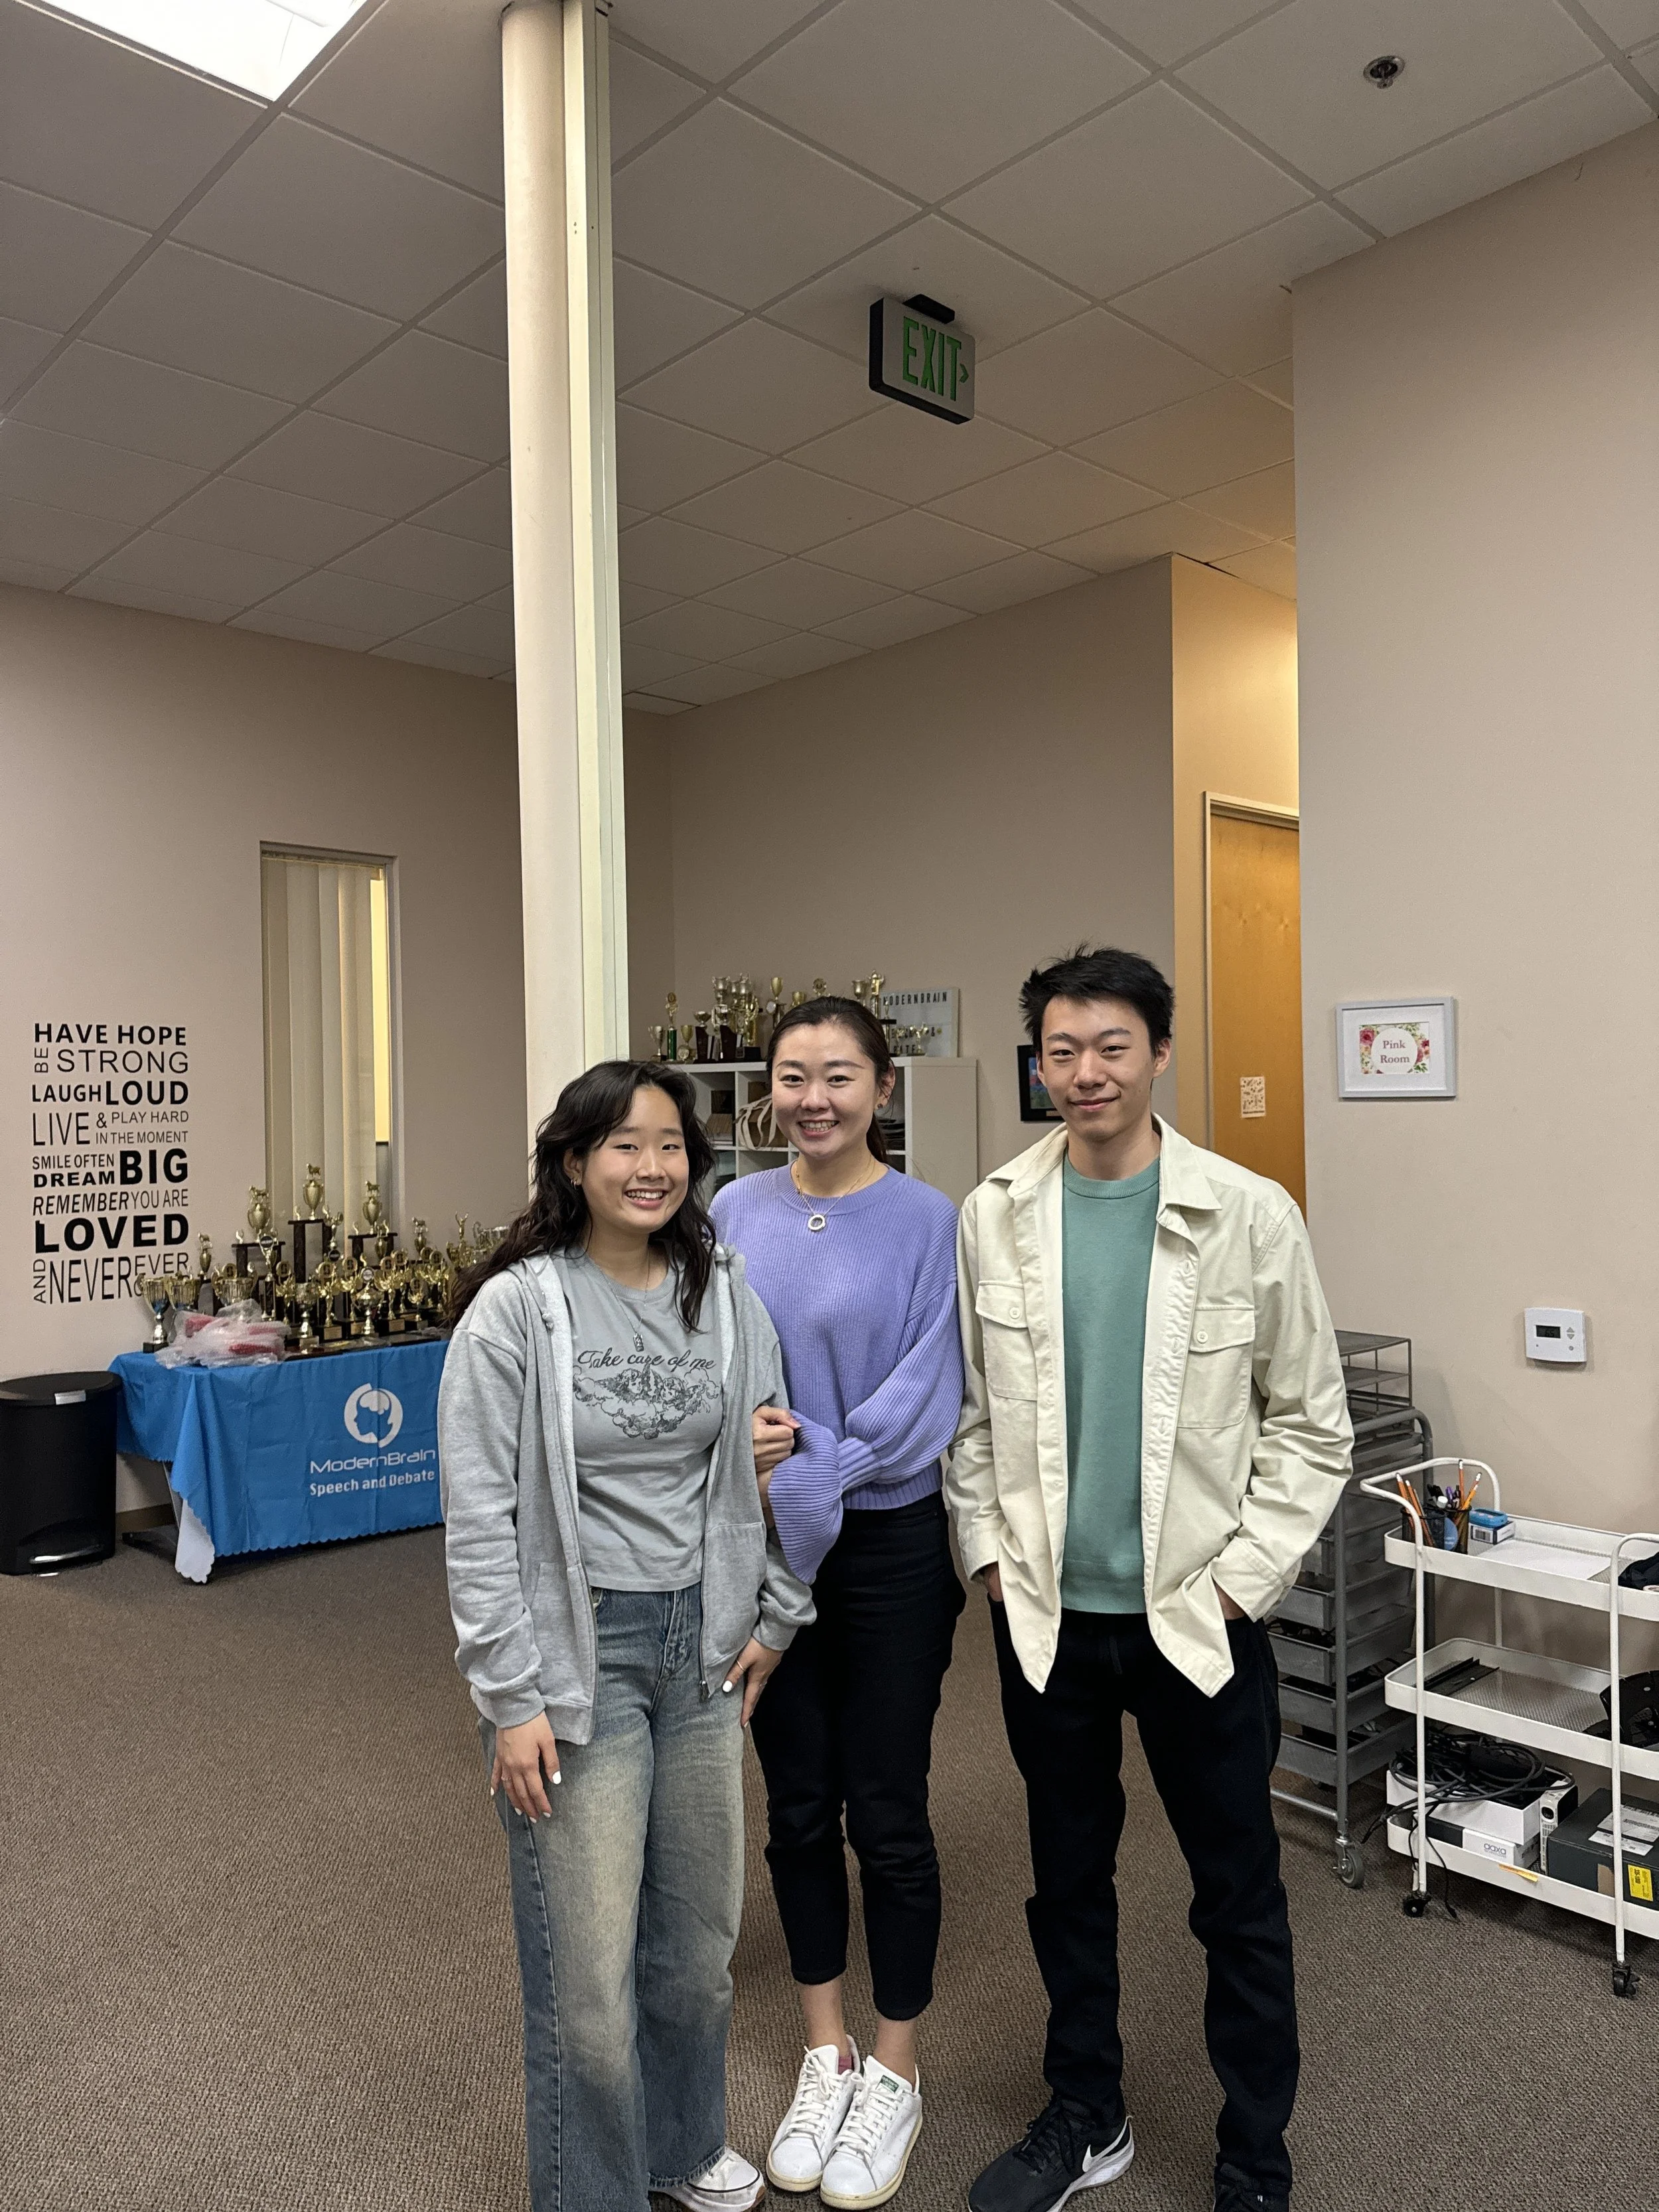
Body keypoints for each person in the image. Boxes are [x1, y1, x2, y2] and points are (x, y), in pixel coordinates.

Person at [948, 948, 1352, 2212]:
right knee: (1066, 1883)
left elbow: (1312, 1427)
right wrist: (993, 1567)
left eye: (1111, 1047)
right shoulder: (995, 1213)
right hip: (1051, 1624)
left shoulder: (1247, 1211)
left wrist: (1239, 1585)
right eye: (1061, 1052)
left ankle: (1254, 2158)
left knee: (1236, 1899)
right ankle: (1088, 2114)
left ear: (1159, 1053)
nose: (1085, 1073)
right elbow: (971, 1419)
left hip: (1201, 1622)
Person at [439, 1061, 813, 2212]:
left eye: (670, 1147)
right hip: (577, 1650)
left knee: (698, 1954)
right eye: (624, 1146)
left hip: (702, 1649)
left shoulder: (724, 1289)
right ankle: (589, 2193)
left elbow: (775, 1463)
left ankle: (684, 2147)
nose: (652, 1168)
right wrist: (511, 1698)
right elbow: (479, 1511)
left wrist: (776, 1616)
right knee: (588, 1984)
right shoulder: (521, 1308)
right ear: (573, 1163)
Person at [710, 997, 964, 2212]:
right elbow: (702, 1357)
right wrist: (737, 1440)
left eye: (839, 1076)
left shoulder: (928, 1221)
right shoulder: (732, 1211)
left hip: (891, 1546)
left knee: (890, 1809)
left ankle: (897, 2066)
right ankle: (826, 2049)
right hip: (761, 1547)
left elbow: (927, 1393)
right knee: (797, 1804)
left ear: (882, 1087)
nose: (815, 1098)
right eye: (794, 1076)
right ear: (770, 1090)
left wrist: (815, 1469)